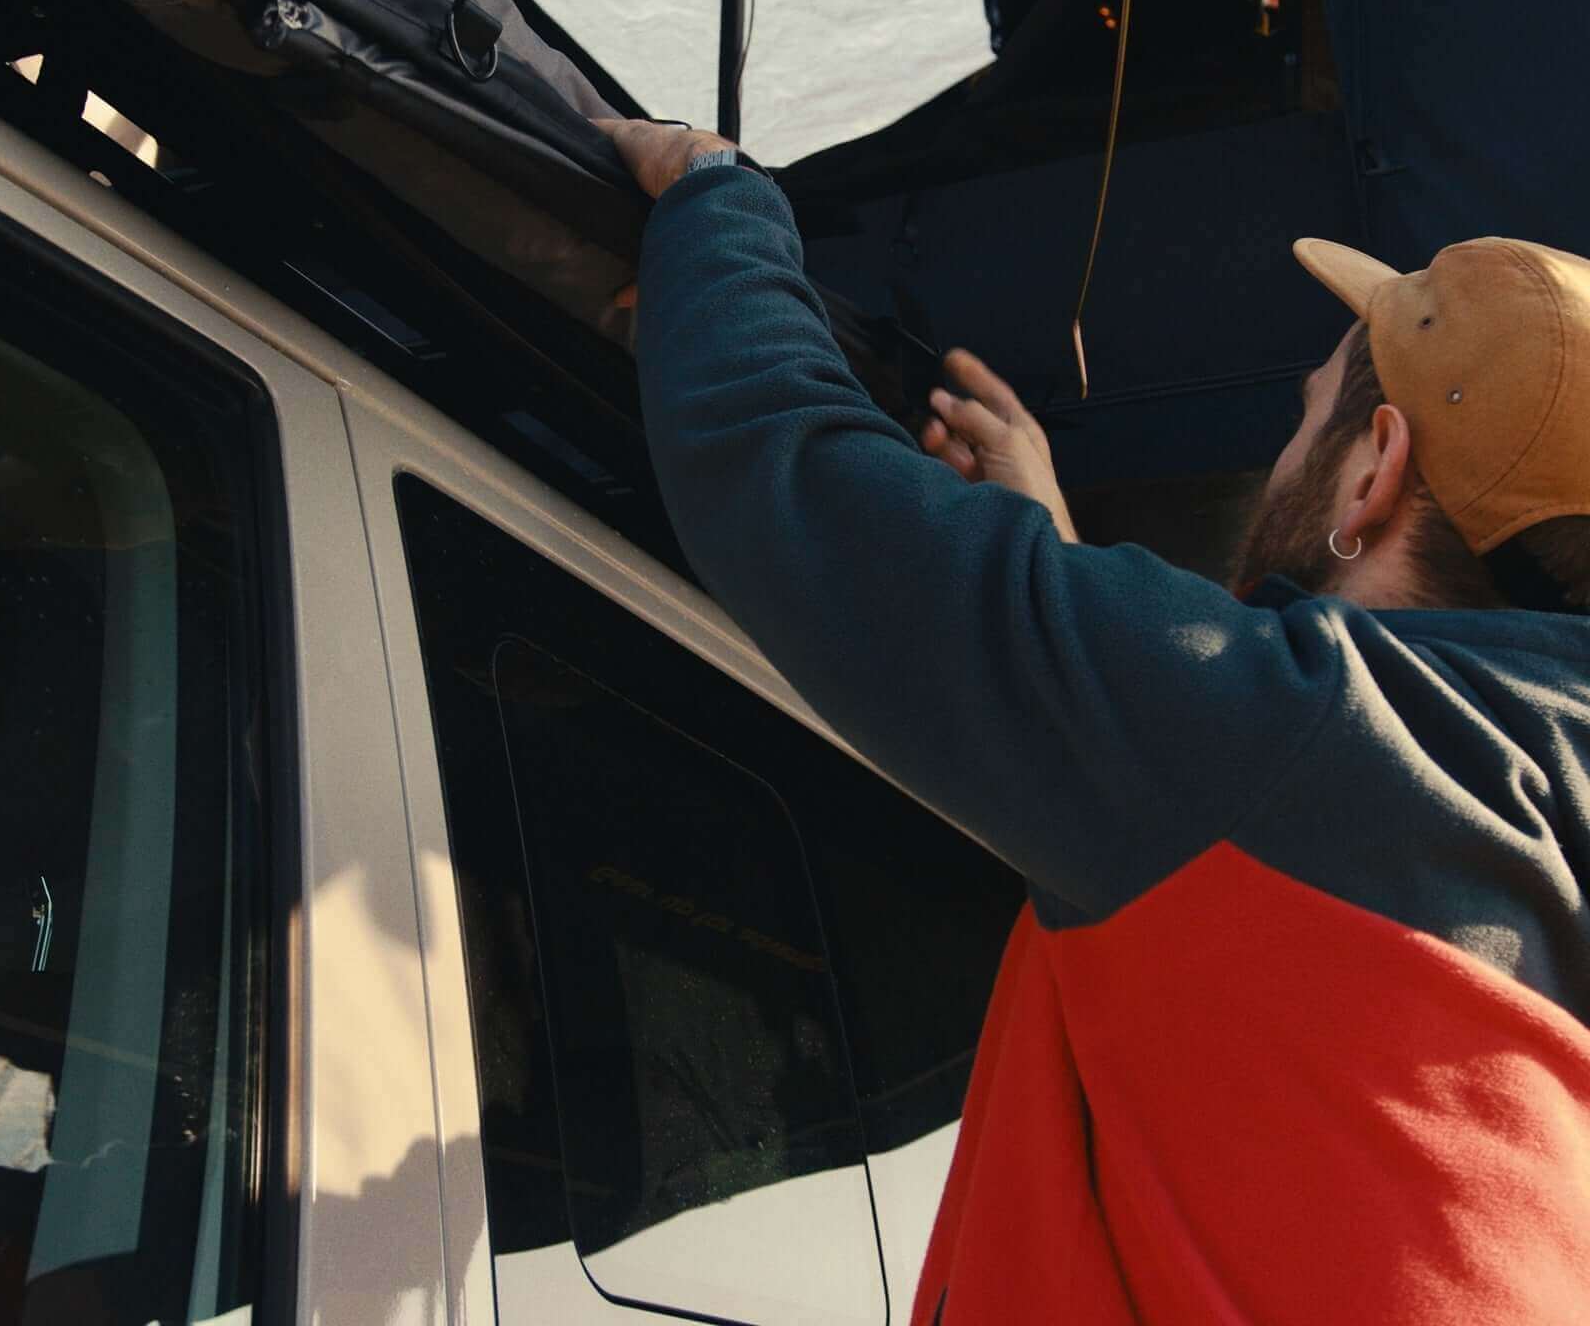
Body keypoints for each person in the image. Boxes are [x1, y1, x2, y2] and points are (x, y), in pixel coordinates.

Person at [597, 116, 1590, 1326]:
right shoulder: (1522, 793)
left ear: (1374, 472)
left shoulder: (1293, 743)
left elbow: (781, 474)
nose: (1281, 458)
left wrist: (716, 194)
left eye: (1304, 417)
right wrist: (1061, 576)